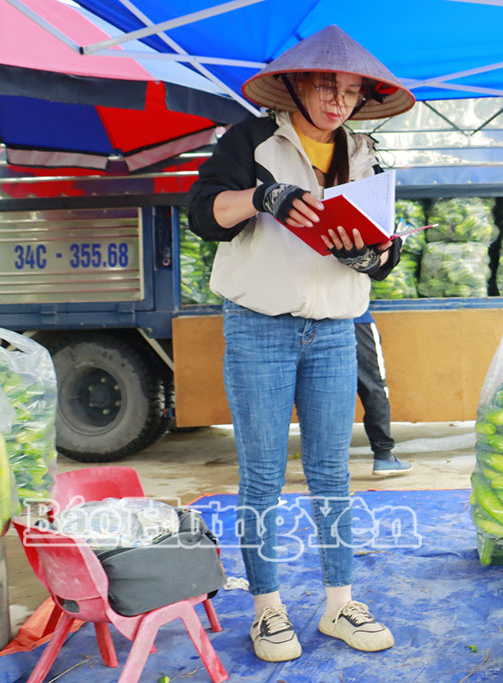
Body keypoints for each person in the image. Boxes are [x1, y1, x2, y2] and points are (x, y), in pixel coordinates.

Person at [186, 25, 414, 661]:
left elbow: (383, 256)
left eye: (349, 91)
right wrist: (264, 196)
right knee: (262, 474)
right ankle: (267, 610)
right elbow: (203, 213)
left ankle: (338, 604)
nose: (338, 101)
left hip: (337, 330)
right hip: (260, 327)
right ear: (293, 85)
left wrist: (372, 254)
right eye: (325, 85)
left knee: (332, 473)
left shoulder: (365, 153)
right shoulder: (252, 141)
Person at [353, 309, 411, 475]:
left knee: (321, 392)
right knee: (373, 387)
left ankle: (322, 463)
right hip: (356, 321)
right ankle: (383, 455)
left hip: (310, 323)